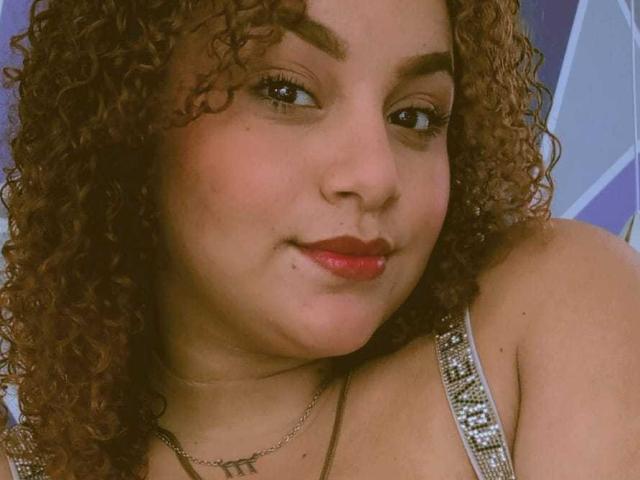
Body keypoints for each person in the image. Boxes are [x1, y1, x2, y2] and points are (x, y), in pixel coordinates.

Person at [0, 0, 638, 478]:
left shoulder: (553, 312)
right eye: (286, 91)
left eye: (414, 116)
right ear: (129, 112)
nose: (375, 176)